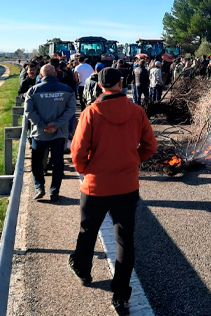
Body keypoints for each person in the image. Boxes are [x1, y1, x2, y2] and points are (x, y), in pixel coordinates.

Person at [68, 68, 157, 313]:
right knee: (125, 240)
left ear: (99, 87)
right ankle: (120, 294)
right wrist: (133, 160)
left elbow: (77, 152)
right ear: (121, 84)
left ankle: (83, 270)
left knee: (88, 231)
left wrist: (87, 169)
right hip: (127, 186)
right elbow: (150, 145)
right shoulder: (137, 111)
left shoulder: (91, 112)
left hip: (96, 186)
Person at [24, 64, 76, 201]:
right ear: (55, 74)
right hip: (59, 133)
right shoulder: (68, 90)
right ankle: (54, 191)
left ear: (41, 76)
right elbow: (70, 111)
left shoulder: (33, 91)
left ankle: (39, 187)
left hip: (39, 133)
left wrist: (42, 125)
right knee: (58, 162)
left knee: (37, 161)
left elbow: (29, 112)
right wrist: (57, 125)